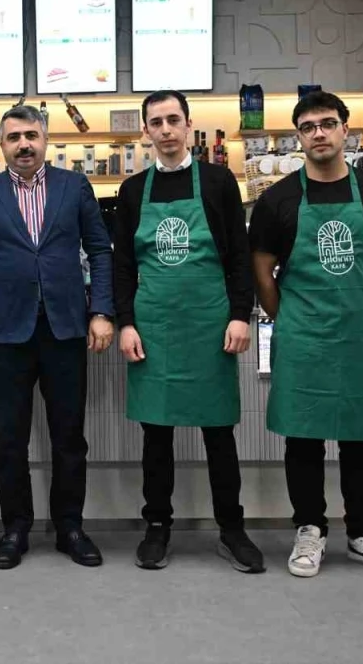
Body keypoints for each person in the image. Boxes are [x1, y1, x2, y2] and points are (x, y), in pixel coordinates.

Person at [249, 90, 363, 578]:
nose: (318, 133)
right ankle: (310, 529)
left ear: (346, 129)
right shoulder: (277, 199)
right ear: (297, 137)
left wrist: (358, 304)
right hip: (303, 334)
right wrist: (290, 317)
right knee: (303, 436)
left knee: (362, 435)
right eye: (307, 127)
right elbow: (262, 272)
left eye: (326, 123)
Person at [0, 104, 115, 570]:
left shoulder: (74, 186)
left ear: (45, 139)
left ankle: (70, 527)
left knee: (69, 438)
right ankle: (15, 528)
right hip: (6, 334)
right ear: (1, 145)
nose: (23, 144)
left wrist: (101, 310)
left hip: (65, 330)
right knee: (9, 440)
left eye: (31, 135)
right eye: (14, 137)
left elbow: (100, 251)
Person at [113, 90, 263, 573]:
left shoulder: (219, 182)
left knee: (219, 433)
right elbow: (122, 266)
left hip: (209, 325)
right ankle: (157, 526)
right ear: (145, 131)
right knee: (156, 436)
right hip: (154, 328)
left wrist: (240, 313)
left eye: (173, 120)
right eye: (156, 122)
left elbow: (239, 256)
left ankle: (232, 529)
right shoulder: (133, 191)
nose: (166, 130)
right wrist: (126, 323)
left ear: (188, 125)